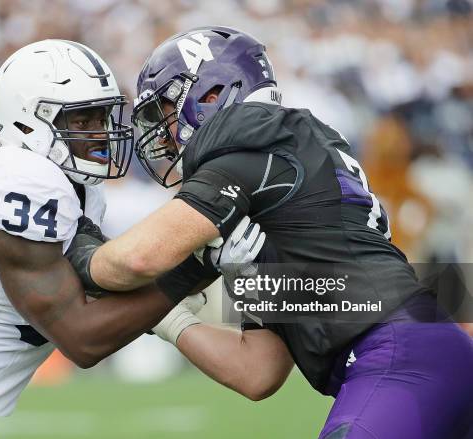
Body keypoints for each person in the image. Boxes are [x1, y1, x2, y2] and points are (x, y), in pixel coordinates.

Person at [68, 27, 473, 439]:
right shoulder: (280, 187)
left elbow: (135, 259)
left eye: (168, 112)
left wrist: (78, 245)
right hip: (425, 353)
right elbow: (257, 373)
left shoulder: (250, 149)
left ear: (211, 94)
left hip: (397, 359)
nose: (167, 134)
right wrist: (164, 315)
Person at [0, 39, 258, 438]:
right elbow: (82, 340)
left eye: (103, 117)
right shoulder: (15, 176)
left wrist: (191, 261)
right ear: (27, 122)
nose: (101, 134)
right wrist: (196, 264)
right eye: (82, 121)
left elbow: (105, 284)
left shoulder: (75, 191)